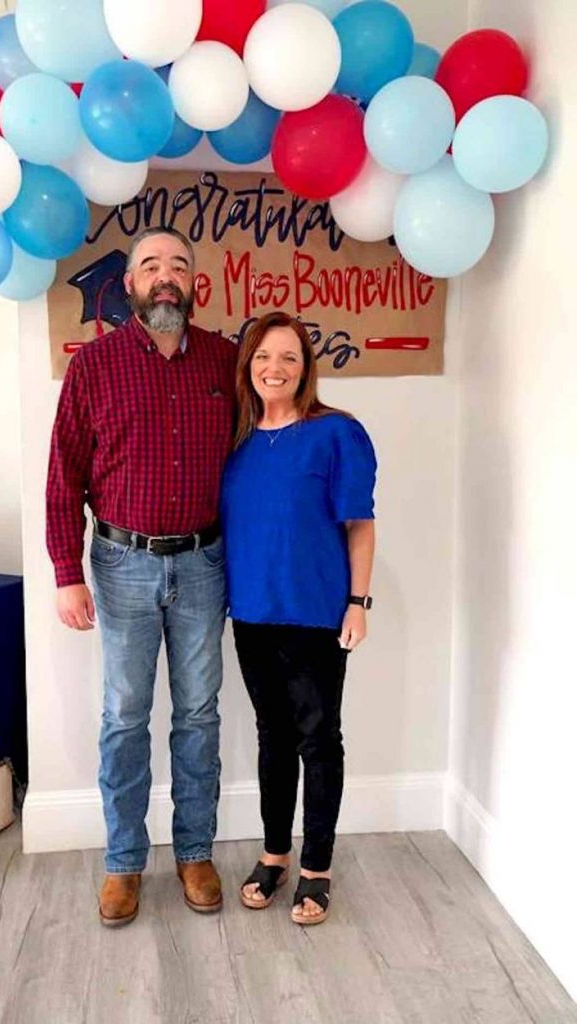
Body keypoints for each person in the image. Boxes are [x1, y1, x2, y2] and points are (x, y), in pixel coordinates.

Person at [46, 227, 237, 926]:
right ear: (127, 285)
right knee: (124, 717)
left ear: (194, 284)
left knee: (198, 715)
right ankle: (124, 864)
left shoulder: (224, 358)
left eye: (178, 265)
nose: (165, 276)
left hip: (204, 562)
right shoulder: (93, 367)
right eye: (150, 265)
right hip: (121, 565)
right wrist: (69, 573)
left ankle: (194, 852)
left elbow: (257, 458)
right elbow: (63, 478)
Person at [220, 311, 377, 926]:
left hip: (317, 614)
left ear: (306, 366)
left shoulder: (338, 433)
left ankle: (317, 869)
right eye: (262, 357)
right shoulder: (234, 440)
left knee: (318, 738)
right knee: (272, 737)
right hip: (252, 612)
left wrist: (358, 605)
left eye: (287, 357)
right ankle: (274, 854)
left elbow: (360, 526)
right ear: (248, 366)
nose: (274, 368)